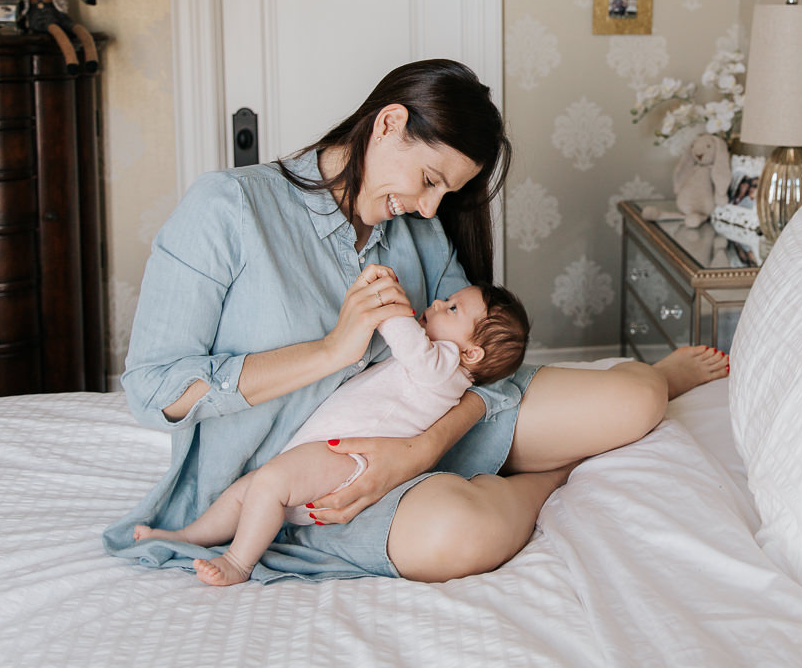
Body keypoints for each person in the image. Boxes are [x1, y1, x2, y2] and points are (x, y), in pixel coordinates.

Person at [105, 59, 727, 584]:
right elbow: (153, 390)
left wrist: (419, 450)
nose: (430, 208)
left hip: (426, 427)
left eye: (444, 194)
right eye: (430, 180)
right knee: (463, 536)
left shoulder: (416, 227)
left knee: (635, 398)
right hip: (303, 484)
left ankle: (622, 409)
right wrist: (331, 351)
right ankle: (550, 477)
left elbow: (476, 361)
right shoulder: (229, 208)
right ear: (389, 123)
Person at [133, 279, 528, 586]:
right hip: (330, 457)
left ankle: (239, 562)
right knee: (250, 490)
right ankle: (188, 535)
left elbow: (407, 341)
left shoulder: (444, 367)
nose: (439, 303)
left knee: (267, 485)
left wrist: (385, 302)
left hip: (347, 461)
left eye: (453, 308)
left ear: (471, 353)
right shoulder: (442, 365)